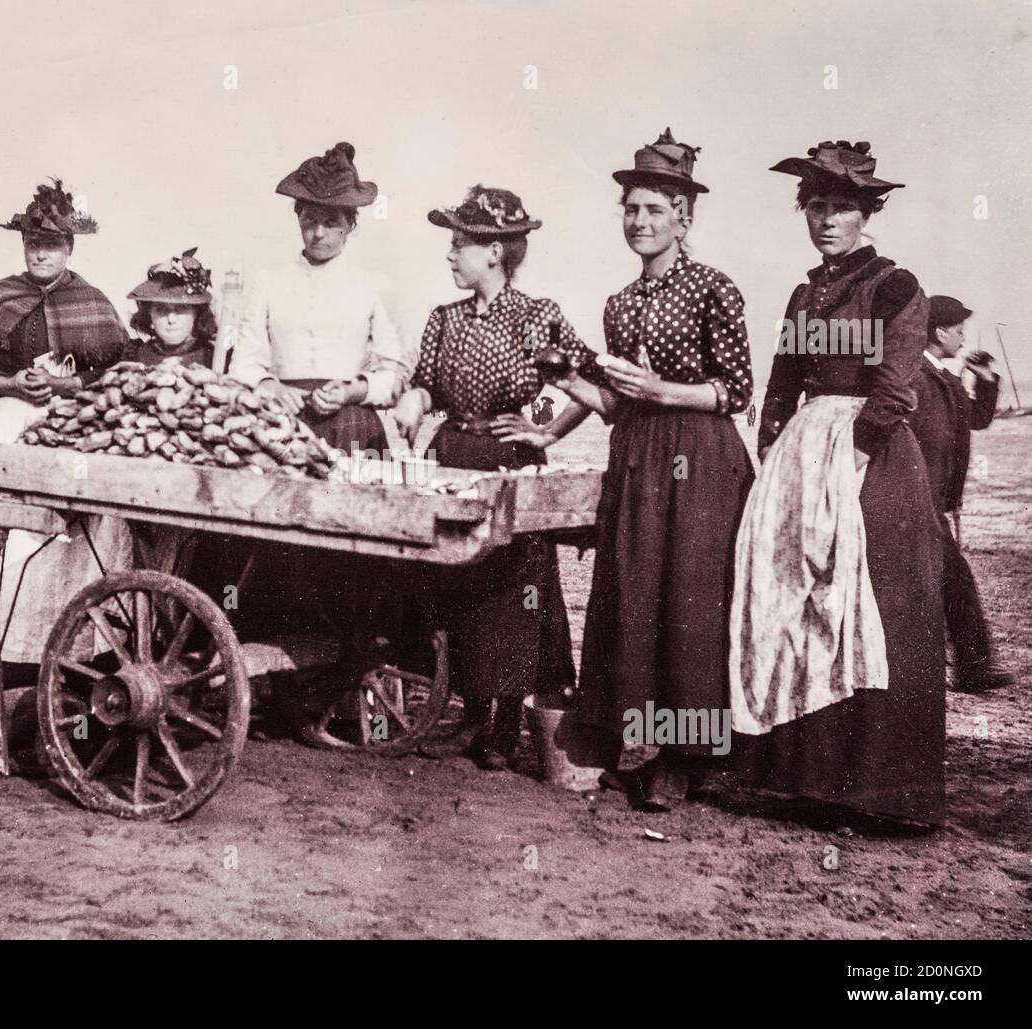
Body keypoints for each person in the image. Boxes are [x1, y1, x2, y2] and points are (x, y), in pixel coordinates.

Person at [526, 130, 755, 810]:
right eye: (631, 209)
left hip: (704, 460)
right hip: (639, 457)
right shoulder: (619, 305)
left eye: (655, 210)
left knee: (691, 598)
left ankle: (687, 757)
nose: (640, 222)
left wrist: (661, 392)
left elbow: (735, 391)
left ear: (684, 218)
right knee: (632, 593)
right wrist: (566, 378)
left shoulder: (716, 289)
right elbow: (612, 405)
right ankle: (639, 741)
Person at [730, 141, 945, 829]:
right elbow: (783, 382)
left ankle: (880, 790)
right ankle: (803, 778)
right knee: (795, 599)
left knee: (871, 604)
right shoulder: (804, 293)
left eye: (842, 207)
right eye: (816, 205)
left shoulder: (894, 286)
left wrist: (850, 460)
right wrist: (772, 455)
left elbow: (895, 387)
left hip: (870, 460)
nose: (827, 219)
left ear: (867, 212)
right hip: (803, 453)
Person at [393, 185, 600, 770]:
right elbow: (426, 381)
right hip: (453, 457)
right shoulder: (445, 318)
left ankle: (506, 725)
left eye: (459, 244)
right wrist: (414, 398)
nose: (450, 254)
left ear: (494, 252)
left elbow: (590, 388)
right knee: (455, 583)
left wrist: (547, 433)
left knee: (511, 592)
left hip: (508, 464)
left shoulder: (537, 317)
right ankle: (470, 712)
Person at [0, 178, 131, 668]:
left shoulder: (94, 302)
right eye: (33, 244)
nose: (41, 254)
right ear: (23, 246)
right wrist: (9, 383)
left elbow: (116, 372)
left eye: (51, 245)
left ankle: (57, 651)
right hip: (3, 424)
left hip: (68, 426)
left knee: (58, 539)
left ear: (70, 247)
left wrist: (65, 388)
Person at [229, 141, 412, 453]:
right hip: (283, 419)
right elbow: (243, 363)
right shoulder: (269, 283)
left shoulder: (373, 286)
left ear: (350, 225)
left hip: (351, 422)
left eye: (331, 223)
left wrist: (352, 391)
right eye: (309, 221)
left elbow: (394, 371)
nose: (318, 234)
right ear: (298, 220)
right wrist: (270, 387)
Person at [906, 294, 1011, 693]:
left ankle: (971, 668)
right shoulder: (914, 376)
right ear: (939, 332)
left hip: (931, 505)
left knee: (950, 583)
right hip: (917, 503)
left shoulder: (943, 378)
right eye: (959, 330)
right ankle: (971, 668)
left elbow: (977, 419)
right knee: (955, 582)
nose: (963, 337)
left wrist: (983, 379)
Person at [124, 248, 218, 369]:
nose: (171, 319)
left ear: (196, 314)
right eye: (161, 310)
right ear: (149, 317)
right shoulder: (136, 357)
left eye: (182, 308)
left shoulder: (213, 357)